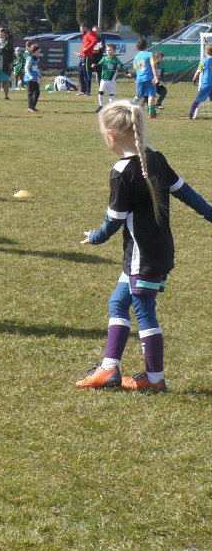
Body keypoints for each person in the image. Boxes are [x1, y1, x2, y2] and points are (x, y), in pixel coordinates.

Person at [76, 100, 212, 392]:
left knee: (144, 311)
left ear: (111, 134)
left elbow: (114, 220)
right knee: (118, 303)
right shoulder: (156, 158)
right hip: (155, 252)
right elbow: (186, 193)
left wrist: (95, 237)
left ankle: (153, 379)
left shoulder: (122, 170)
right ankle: (108, 369)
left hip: (142, 258)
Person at [131, 38, 159, 119]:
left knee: (140, 95)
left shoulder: (136, 57)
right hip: (149, 77)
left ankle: (130, 105)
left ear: (137, 48)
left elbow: (137, 69)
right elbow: (154, 66)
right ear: (147, 46)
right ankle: (151, 114)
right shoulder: (150, 54)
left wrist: (137, 78)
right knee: (151, 95)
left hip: (140, 78)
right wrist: (156, 77)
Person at [95, 44, 124, 112]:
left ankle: (111, 107)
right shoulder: (104, 58)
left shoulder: (115, 59)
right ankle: (101, 106)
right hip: (103, 79)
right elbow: (99, 64)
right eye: (107, 50)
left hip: (112, 80)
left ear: (114, 51)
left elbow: (122, 66)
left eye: (110, 50)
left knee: (111, 94)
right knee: (101, 92)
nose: (108, 51)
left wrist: (127, 72)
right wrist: (95, 65)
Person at [187, 43, 212, 120]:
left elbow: (198, 71)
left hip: (206, 83)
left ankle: (191, 114)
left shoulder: (203, 61)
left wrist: (194, 79)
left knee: (198, 99)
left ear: (206, 52)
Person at [77, 22, 101, 96]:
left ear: (85, 28)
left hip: (87, 57)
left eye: (81, 28)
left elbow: (94, 41)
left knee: (86, 74)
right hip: (83, 56)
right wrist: (81, 53)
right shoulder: (85, 35)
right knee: (80, 73)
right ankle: (82, 90)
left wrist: (86, 49)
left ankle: (88, 91)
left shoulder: (89, 34)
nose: (80, 30)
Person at [0, 27, 14, 100]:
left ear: (5, 34)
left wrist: (11, 63)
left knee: (6, 80)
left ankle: (6, 95)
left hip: (6, 64)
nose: (0, 34)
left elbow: (12, 54)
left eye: (2, 32)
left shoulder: (9, 42)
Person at [24, 41, 42, 113]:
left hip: (34, 79)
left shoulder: (35, 59)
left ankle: (33, 107)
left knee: (37, 92)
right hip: (29, 79)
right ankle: (30, 107)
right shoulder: (30, 58)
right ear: (33, 51)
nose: (39, 53)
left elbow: (35, 69)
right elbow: (26, 68)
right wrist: (30, 76)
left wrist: (39, 75)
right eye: (38, 52)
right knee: (30, 93)